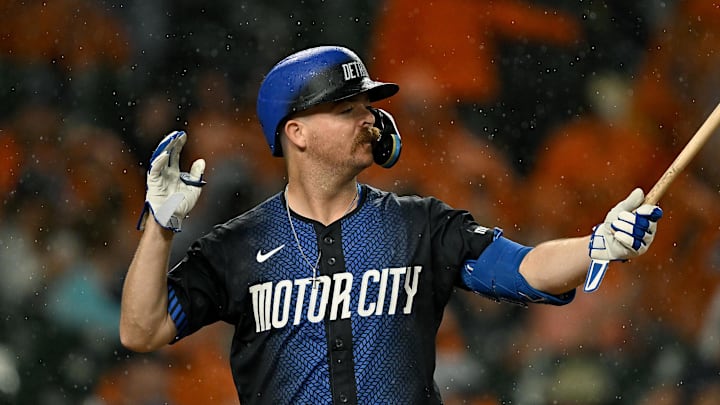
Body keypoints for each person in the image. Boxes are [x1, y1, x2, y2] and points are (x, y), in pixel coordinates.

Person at [119, 45, 663, 404]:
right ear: (297, 132)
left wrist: (597, 244)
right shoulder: (240, 244)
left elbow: (525, 268)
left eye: (367, 106)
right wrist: (160, 228)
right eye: (346, 108)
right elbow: (142, 330)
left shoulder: (417, 223)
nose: (369, 119)